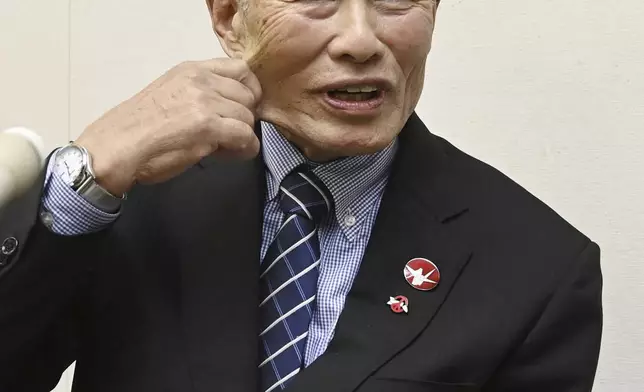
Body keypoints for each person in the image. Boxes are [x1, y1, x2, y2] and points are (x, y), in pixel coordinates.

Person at [0, 0, 602, 391]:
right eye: (318, 2)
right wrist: (81, 181)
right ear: (230, 17)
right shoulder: (135, 192)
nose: (361, 41)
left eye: (396, 1)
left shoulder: (538, 268)